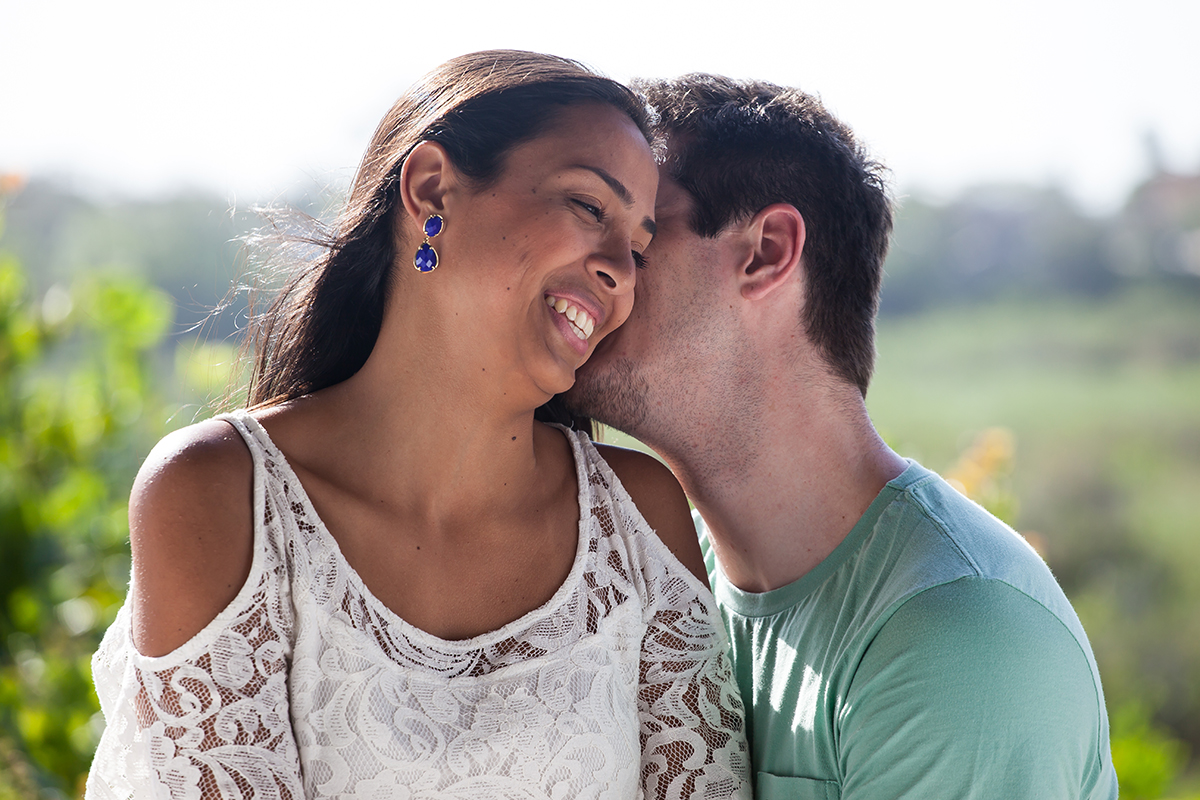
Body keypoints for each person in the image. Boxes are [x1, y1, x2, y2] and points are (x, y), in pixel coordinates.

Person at [86, 52, 750, 800]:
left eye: (637, 247)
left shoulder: (639, 521)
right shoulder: (219, 497)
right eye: (590, 207)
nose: (620, 272)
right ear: (432, 188)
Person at [567, 74, 1119, 798]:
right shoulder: (669, 579)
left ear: (766, 252)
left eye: (641, 238)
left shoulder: (959, 639)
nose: (592, 272)